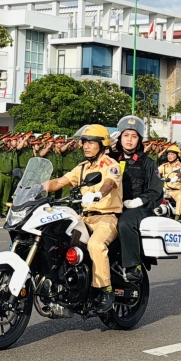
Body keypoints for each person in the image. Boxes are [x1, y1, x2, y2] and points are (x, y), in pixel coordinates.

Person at [39, 124, 122, 313]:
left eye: (91, 142)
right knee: (57, 238)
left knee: (95, 245)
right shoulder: (82, 167)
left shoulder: (112, 165)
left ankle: (105, 290)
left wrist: (99, 194)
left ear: (102, 145)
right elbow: (60, 182)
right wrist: (37, 187)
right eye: (84, 142)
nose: (86, 146)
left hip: (106, 218)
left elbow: (109, 183)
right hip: (84, 217)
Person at [112, 115, 163, 283]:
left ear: (139, 140)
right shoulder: (111, 160)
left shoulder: (147, 163)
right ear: (120, 138)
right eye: (126, 135)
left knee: (125, 223)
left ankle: (133, 266)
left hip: (139, 209)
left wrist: (138, 202)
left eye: (134, 137)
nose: (129, 140)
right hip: (113, 206)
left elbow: (156, 192)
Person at [158, 144, 181, 217]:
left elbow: (180, 172)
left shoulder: (180, 166)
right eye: (168, 154)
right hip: (166, 190)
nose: (169, 156)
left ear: (177, 156)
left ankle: (177, 217)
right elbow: (156, 171)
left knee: (180, 198)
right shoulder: (164, 165)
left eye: (172, 154)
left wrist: (175, 178)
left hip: (176, 191)